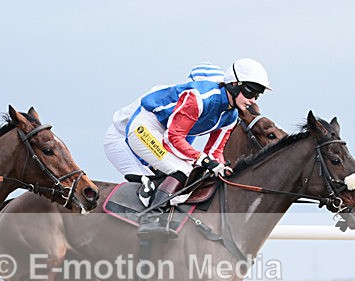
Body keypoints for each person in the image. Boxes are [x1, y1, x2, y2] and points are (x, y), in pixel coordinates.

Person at [108, 58, 271, 238]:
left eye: (258, 94)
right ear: (233, 84)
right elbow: (173, 138)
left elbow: (214, 152)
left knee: (198, 176)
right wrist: (203, 160)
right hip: (146, 127)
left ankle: (162, 205)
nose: (253, 99)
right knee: (183, 171)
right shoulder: (200, 98)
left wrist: (222, 168)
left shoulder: (231, 116)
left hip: (167, 132)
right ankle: (151, 219)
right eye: (250, 92)